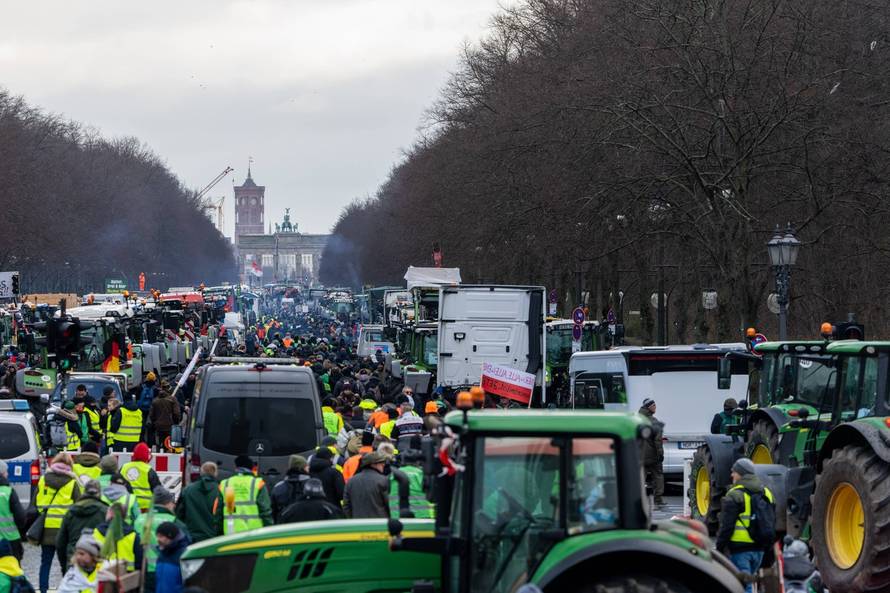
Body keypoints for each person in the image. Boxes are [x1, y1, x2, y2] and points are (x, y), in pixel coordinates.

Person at [715, 458, 775, 593]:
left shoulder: (735, 495)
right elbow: (772, 520)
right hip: (760, 549)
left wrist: (719, 547)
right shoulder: (767, 493)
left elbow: (726, 526)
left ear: (741, 474)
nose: (732, 475)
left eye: (734, 472)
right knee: (750, 583)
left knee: (742, 586)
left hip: (740, 550)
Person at [34, 452, 81, 593]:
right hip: (65, 529)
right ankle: (67, 589)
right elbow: (78, 505)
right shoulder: (72, 483)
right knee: (66, 563)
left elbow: (36, 502)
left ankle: (43, 589)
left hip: (47, 527)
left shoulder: (43, 480)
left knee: (45, 562)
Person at [134, 487, 185, 593]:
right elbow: (185, 545)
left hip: (144, 570)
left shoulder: (140, 519)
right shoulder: (173, 521)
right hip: (167, 569)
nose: (174, 506)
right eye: (172, 503)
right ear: (167, 503)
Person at [55, 480, 107, 569]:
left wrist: (64, 565)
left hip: (74, 558)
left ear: (84, 492)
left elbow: (61, 542)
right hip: (98, 561)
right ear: (99, 493)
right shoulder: (105, 511)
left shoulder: (71, 512)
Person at [215, 455, 273, 535]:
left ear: (236, 467)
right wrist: (269, 531)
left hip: (231, 535)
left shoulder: (227, 484)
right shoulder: (257, 484)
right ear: (252, 468)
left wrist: (218, 533)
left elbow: (222, 512)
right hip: (254, 535)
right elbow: (265, 511)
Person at [175, 462, 220, 543]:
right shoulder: (220, 490)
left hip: (192, 538)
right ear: (215, 473)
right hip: (214, 538)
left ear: (201, 472)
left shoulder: (188, 490)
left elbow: (179, 514)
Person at [92, 504, 142, 573]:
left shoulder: (96, 532)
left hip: (100, 573)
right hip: (127, 575)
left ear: (111, 513)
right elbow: (139, 561)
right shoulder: (133, 535)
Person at [343, 451, 390, 519]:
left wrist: (352, 520)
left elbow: (346, 506)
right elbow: (389, 505)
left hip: (358, 525)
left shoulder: (351, 481)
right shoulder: (383, 480)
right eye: (381, 462)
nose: (383, 465)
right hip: (379, 525)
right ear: (373, 464)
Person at [279, 478, 344, 524]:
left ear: (304, 491)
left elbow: (281, 523)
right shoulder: (330, 509)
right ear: (322, 491)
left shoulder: (290, 510)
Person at [638, 397, 665, 506]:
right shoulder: (654, 422)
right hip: (653, 456)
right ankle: (658, 500)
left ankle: (637, 500)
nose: (655, 407)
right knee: (658, 476)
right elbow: (658, 440)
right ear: (649, 407)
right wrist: (660, 454)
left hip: (639, 455)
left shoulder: (636, 419)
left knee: (639, 478)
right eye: (654, 405)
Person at [120, 442, 161, 512]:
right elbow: (158, 489)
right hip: (145, 507)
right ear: (147, 455)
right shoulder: (148, 469)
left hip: (126, 504)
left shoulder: (124, 467)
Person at [270, 456, 309, 523]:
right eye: (307, 466)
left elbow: (273, 512)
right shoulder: (311, 485)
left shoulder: (278, 487)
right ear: (303, 468)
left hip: (284, 528)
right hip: (306, 528)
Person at [0, 461, 25, 561]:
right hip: (11, 539)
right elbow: (20, 517)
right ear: (2, 473)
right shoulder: (8, 492)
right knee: (13, 571)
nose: (7, 474)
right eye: (6, 472)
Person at [155, 522, 189, 593]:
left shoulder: (183, 556)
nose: (158, 539)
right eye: (157, 536)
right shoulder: (161, 556)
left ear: (170, 536)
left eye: (161, 536)